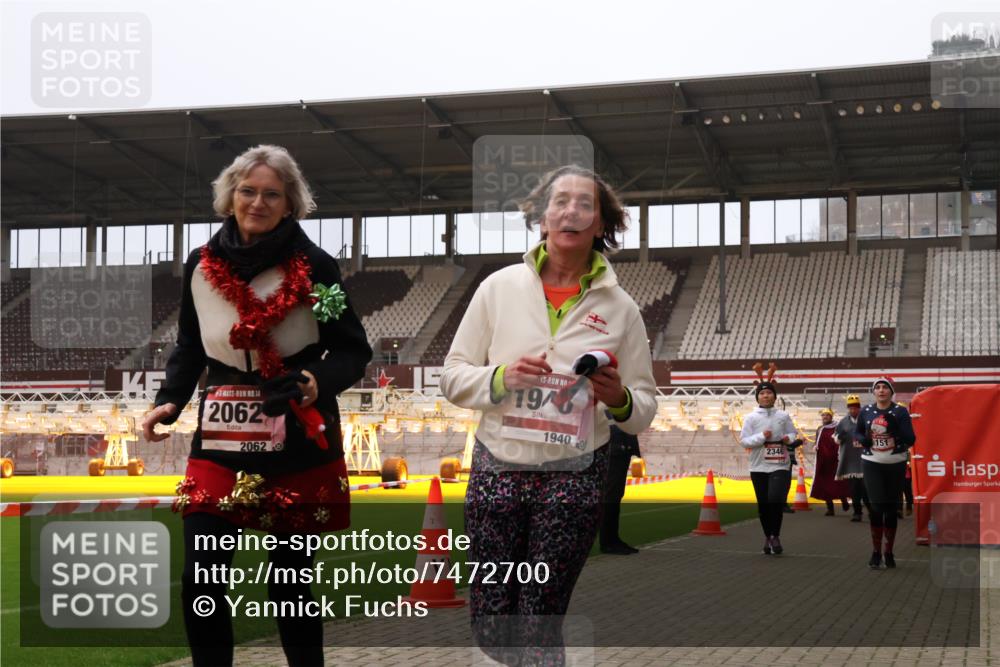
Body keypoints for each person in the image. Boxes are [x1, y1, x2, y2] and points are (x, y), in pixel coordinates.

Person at [141, 145, 372, 666]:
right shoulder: (200, 265)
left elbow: (354, 349)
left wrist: (315, 380)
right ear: (230, 195)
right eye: (248, 191)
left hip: (296, 430)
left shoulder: (317, 267)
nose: (258, 202)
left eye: (272, 194)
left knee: (290, 584)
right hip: (220, 435)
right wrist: (170, 401)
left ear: (290, 203)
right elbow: (189, 342)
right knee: (201, 574)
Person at [440, 164, 657, 664]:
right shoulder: (499, 287)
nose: (572, 211)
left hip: (576, 472)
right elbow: (452, 376)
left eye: (586, 204)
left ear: (602, 225)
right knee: (494, 618)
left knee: (541, 613)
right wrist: (500, 378)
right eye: (560, 201)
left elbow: (643, 408)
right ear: (540, 218)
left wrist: (619, 397)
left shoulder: (621, 308)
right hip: (498, 462)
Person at [855, 376, 916, 570]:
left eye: (885, 387)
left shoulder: (900, 411)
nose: (881, 390)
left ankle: (888, 552)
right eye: (878, 387)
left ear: (891, 391)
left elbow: (911, 439)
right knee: (876, 506)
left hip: (895, 463)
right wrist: (864, 439)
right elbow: (858, 432)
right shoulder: (866, 411)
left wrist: (895, 428)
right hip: (872, 462)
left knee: (890, 509)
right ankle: (875, 552)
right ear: (873, 391)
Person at [739, 364, 798, 555]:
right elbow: (744, 441)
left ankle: (775, 535)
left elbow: (792, 432)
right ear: (757, 397)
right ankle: (768, 536)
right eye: (762, 393)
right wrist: (762, 437)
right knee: (763, 505)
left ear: (774, 396)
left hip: (780, 464)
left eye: (769, 393)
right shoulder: (750, 418)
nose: (766, 396)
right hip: (758, 466)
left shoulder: (783, 415)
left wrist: (788, 438)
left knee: (775, 500)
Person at [600, 424, 641, 555]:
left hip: (620, 450)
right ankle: (609, 542)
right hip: (615, 450)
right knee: (611, 496)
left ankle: (613, 539)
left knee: (615, 495)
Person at [835, 395, 870, 522]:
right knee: (855, 490)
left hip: (866, 459)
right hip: (850, 460)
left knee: (867, 489)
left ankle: (872, 511)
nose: (853, 410)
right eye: (850, 408)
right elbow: (836, 439)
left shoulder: (867, 420)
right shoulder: (843, 422)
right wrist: (840, 436)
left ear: (859, 408)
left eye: (855, 408)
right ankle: (857, 512)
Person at [810, 408, 851, 516]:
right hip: (823, 461)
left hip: (835, 460)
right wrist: (815, 446)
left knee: (839, 482)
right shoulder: (820, 429)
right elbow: (817, 441)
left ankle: (844, 500)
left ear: (831, 416)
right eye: (823, 415)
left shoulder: (838, 427)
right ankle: (830, 508)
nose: (825, 417)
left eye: (827, 415)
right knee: (824, 484)